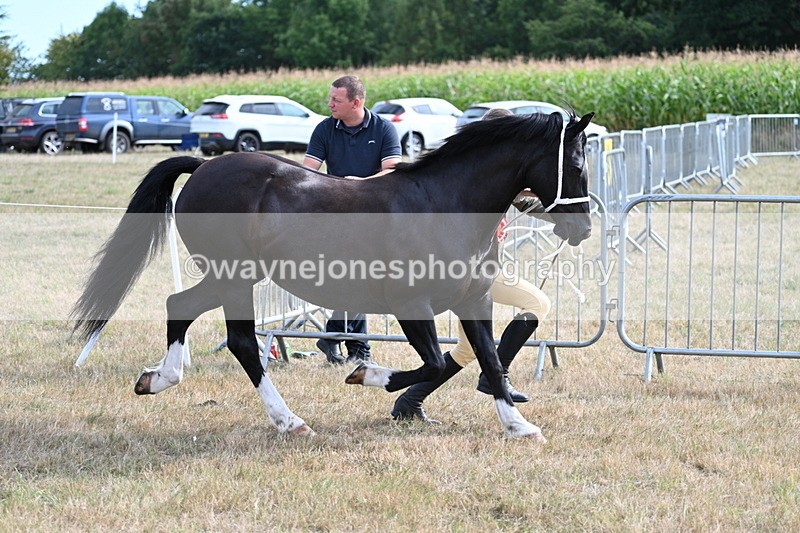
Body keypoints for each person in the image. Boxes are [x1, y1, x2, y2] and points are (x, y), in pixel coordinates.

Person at [391, 107, 552, 423]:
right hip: (475, 273)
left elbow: (529, 202)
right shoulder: (488, 178)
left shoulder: (480, 175)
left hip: (470, 271)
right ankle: (497, 374)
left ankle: (409, 402)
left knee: (466, 350)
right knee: (538, 303)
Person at [302, 75, 402, 364]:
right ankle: (357, 348)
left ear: (356, 102)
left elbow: (392, 171)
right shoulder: (324, 128)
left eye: (337, 99)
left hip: (374, 215)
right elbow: (308, 170)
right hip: (335, 214)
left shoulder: (384, 129)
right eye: (330, 97)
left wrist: (360, 184)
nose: (329, 103)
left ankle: (339, 338)